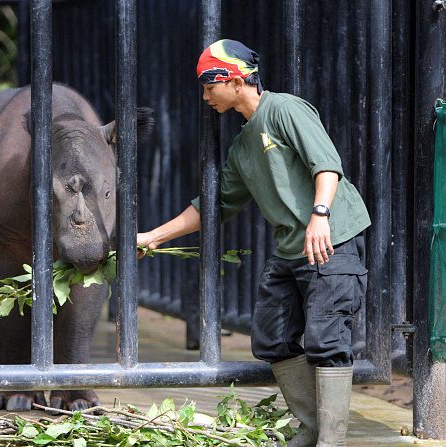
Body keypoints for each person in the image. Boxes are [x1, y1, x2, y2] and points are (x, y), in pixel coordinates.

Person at [136, 39, 370, 447]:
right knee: (271, 338)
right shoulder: (244, 146)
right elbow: (214, 205)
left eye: (209, 86)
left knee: (326, 341)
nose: (206, 96)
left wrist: (320, 215)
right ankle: (312, 429)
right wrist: (153, 236)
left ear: (234, 79)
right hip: (290, 250)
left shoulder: (284, 109)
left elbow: (327, 165)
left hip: (333, 240)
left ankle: (331, 441)